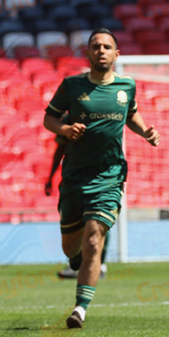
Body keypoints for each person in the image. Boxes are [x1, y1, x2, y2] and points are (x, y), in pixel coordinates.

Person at [44, 29, 161, 328]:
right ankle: (74, 261)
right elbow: (49, 118)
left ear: (116, 54)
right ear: (88, 53)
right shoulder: (72, 86)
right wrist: (65, 129)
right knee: (71, 247)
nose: (101, 51)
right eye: (96, 46)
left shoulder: (126, 86)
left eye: (107, 46)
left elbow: (130, 114)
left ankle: (80, 308)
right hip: (74, 177)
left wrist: (145, 131)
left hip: (110, 176)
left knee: (95, 236)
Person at [46, 112, 111, 279]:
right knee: (77, 222)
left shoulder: (108, 114)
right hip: (74, 179)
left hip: (99, 177)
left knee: (100, 219)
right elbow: (60, 149)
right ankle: (77, 263)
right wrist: (51, 177)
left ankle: (98, 263)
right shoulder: (70, 119)